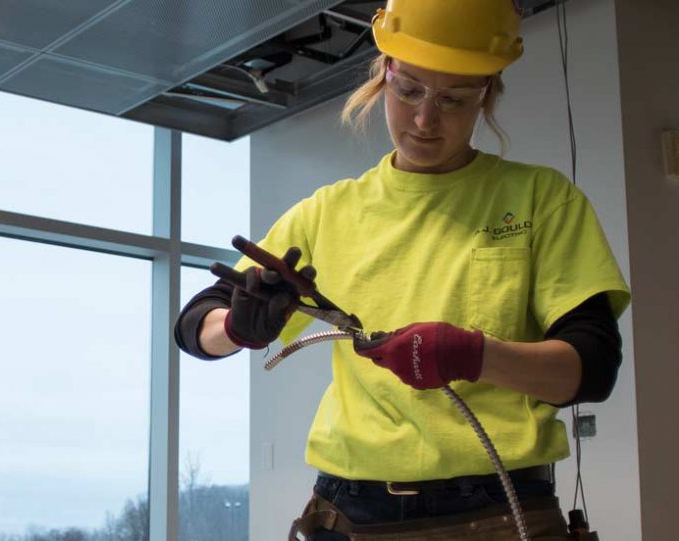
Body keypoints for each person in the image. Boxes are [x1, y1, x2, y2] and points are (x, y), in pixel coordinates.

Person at [173, 1, 630, 539]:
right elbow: (193, 326)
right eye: (408, 90)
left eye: (453, 99)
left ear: (488, 94)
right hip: (346, 512)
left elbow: (591, 367)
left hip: (497, 511)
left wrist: (473, 355)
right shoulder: (328, 213)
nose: (424, 119)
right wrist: (235, 326)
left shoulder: (539, 199)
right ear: (382, 73)